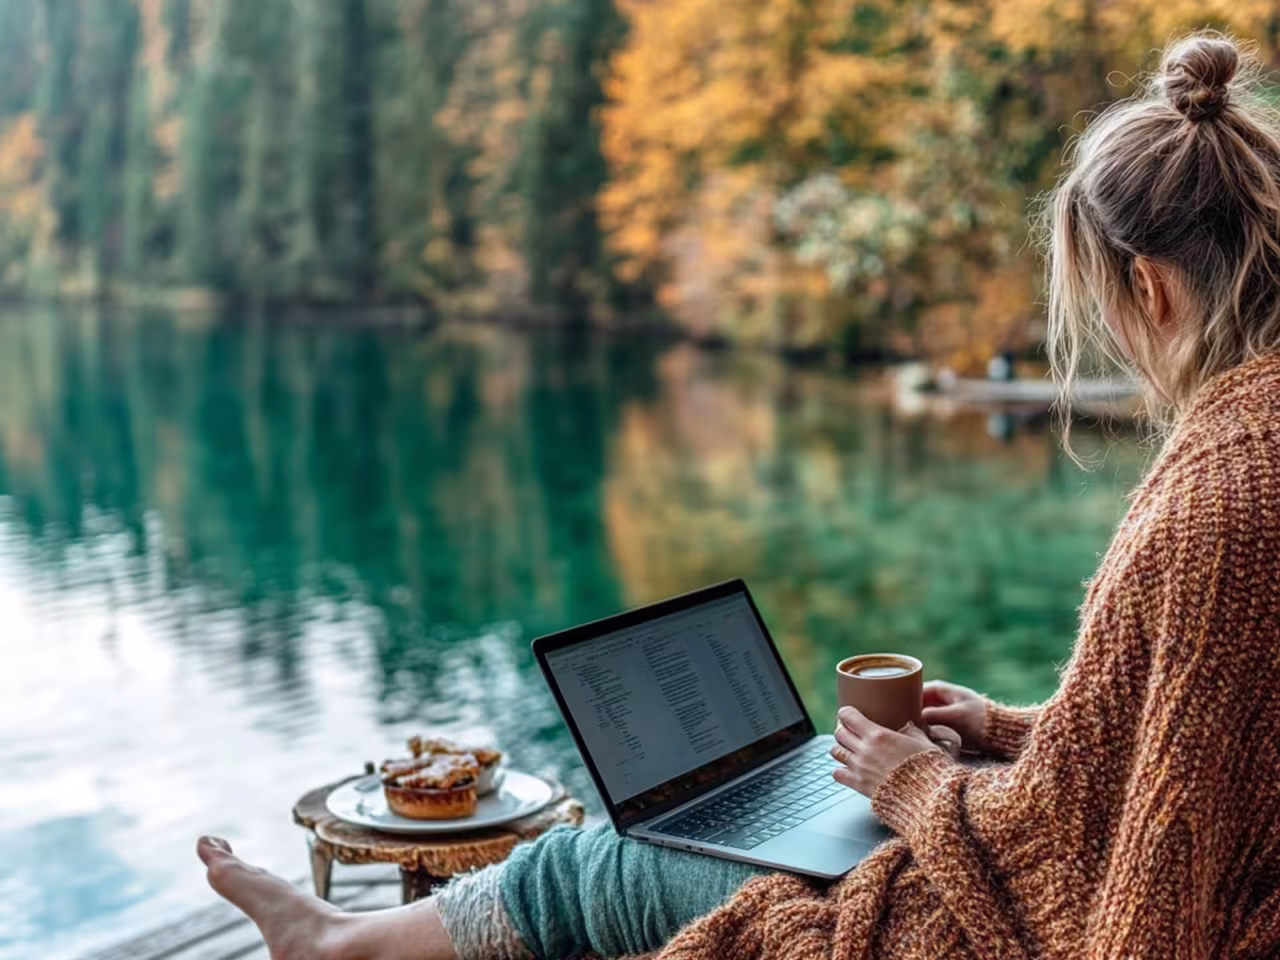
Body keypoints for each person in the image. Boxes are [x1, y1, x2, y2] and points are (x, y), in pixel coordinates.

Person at [197, 30, 1280, 960]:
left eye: (1108, 306)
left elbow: (1140, 910)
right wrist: (1001, 729)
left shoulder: (1209, 502)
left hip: (1007, 913)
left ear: (1145, 283)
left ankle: (337, 945)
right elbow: (1198, 755)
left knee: (606, 867)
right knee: (711, 822)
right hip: (1083, 864)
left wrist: (912, 785)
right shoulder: (1252, 444)